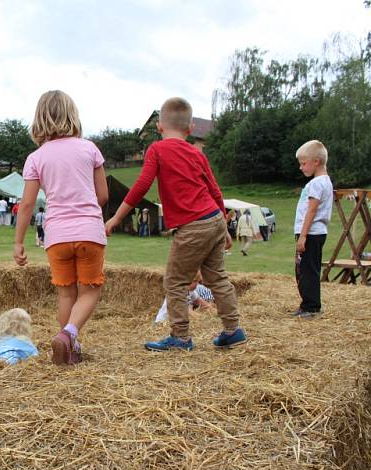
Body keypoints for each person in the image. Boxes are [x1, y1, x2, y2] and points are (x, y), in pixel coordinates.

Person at [104, 96, 246, 351]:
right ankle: (233, 329)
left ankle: (180, 337)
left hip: (192, 226)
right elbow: (214, 191)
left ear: (159, 126)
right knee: (217, 278)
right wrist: (224, 227)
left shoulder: (157, 150)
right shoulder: (197, 153)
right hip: (213, 219)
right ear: (191, 128)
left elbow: (141, 186)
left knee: (175, 281)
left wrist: (115, 218)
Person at [14, 90, 109, 365]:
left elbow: (28, 204)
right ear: (72, 116)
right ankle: (68, 334)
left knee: (66, 292)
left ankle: (69, 348)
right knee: (90, 290)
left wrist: (18, 243)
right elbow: (102, 196)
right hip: (89, 231)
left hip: (56, 236)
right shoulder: (89, 148)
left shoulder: (36, 157)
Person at [292, 140, 333, 319]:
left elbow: (312, 210)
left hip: (311, 233)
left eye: (303, 163)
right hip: (317, 232)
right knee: (310, 269)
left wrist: (302, 236)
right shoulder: (326, 181)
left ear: (316, 161)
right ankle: (310, 305)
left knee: (306, 271)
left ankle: (310, 307)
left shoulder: (316, 184)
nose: (301, 167)